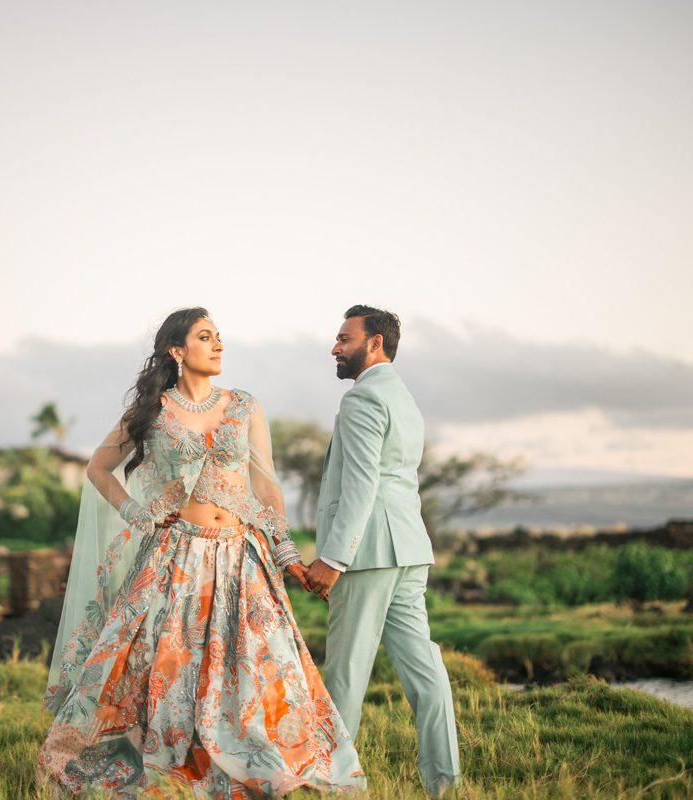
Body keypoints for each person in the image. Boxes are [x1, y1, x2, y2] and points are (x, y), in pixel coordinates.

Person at [38, 307, 364, 798]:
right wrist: (139, 515)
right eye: (205, 337)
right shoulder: (154, 412)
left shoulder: (244, 405)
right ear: (177, 350)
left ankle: (260, 752)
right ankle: (167, 753)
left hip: (240, 558)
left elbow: (266, 485)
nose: (218, 345)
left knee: (259, 663)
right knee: (166, 665)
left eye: (219, 337)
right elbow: (99, 468)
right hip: (175, 556)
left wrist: (285, 552)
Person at [304, 305, 461, 798]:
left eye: (344, 338)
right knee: (425, 670)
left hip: (369, 552)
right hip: (410, 547)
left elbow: (361, 486)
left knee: (346, 672)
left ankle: (336, 784)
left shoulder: (362, 400)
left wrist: (333, 558)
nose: (335, 347)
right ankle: (445, 782)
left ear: (374, 343)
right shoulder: (404, 398)